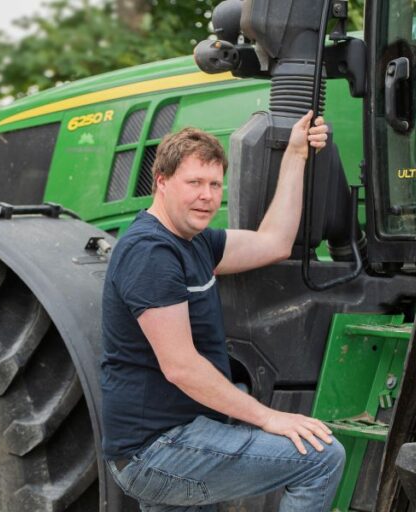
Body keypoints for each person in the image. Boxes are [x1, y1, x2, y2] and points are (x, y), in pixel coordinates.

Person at [100, 111, 345, 512]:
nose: (207, 195)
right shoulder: (151, 253)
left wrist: (296, 154)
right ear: (161, 183)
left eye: (215, 185)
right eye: (194, 183)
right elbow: (180, 366)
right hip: (158, 449)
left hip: (176, 437)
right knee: (321, 458)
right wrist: (269, 418)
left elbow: (275, 241)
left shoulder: (195, 241)